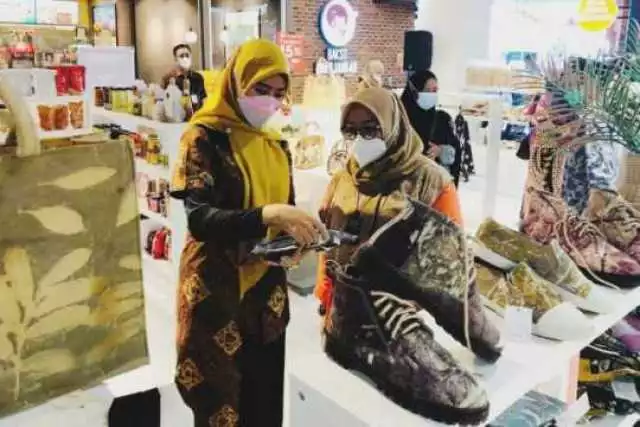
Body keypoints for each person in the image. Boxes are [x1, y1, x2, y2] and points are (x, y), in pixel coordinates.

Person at [170, 39, 325, 427]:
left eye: (278, 93)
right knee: (218, 405)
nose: (269, 101)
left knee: (263, 402)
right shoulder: (203, 137)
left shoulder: (276, 147)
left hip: (265, 298)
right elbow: (200, 219)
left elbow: (283, 218)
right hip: (216, 292)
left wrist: (293, 245)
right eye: (260, 88)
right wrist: (268, 214)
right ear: (236, 82)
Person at [314, 87, 463, 315]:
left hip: (391, 317)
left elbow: (449, 260)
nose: (359, 139)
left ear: (392, 125)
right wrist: (325, 292)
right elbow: (328, 243)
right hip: (340, 307)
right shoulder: (343, 177)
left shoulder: (431, 182)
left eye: (369, 129)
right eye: (350, 130)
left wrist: (404, 306)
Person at [401, 70, 462, 186]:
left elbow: (456, 152)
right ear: (414, 92)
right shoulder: (400, 120)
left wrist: (441, 151)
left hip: (436, 186)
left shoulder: (442, 119)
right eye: (426, 90)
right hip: (406, 187)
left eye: (434, 90)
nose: (431, 95)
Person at [162, 44, 207, 111]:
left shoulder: (198, 77)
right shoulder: (168, 78)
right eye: (181, 56)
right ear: (175, 59)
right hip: (177, 115)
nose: (185, 58)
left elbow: (204, 99)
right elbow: (164, 101)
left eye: (187, 55)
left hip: (197, 114)